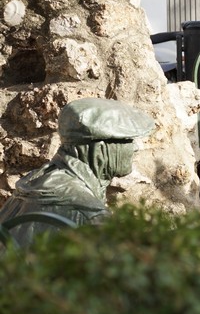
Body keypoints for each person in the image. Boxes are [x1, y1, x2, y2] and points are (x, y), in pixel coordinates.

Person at [0, 98, 154, 248]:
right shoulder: (88, 213)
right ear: (101, 149)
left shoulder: (35, 180)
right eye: (127, 140)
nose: (135, 148)